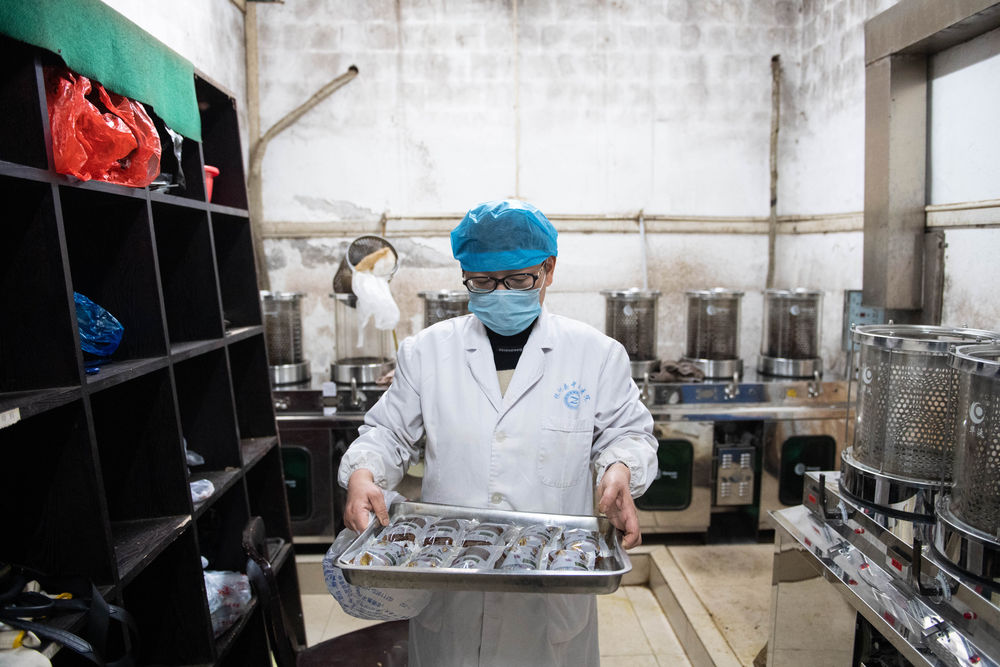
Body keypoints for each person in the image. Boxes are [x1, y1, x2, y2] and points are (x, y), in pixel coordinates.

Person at [338, 199, 658, 666]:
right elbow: (388, 432)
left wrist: (621, 467)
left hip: (550, 590)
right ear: (465, 276)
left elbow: (629, 434)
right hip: (451, 583)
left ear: (549, 270)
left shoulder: (595, 354)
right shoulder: (426, 352)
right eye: (483, 282)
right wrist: (363, 472)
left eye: (519, 280)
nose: (501, 294)